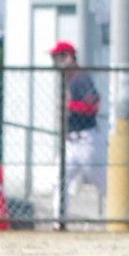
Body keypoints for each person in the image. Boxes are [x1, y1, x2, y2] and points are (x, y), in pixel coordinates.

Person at [49, 40, 106, 213]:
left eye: (57, 57)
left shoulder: (81, 78)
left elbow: (94, 106)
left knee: (105, 184)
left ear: (68, 57)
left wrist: (69, 105)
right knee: (57, 180)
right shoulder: (66, 79)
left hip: (87, 140)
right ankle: (59, 220)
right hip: (71, 142)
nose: (53, 61)